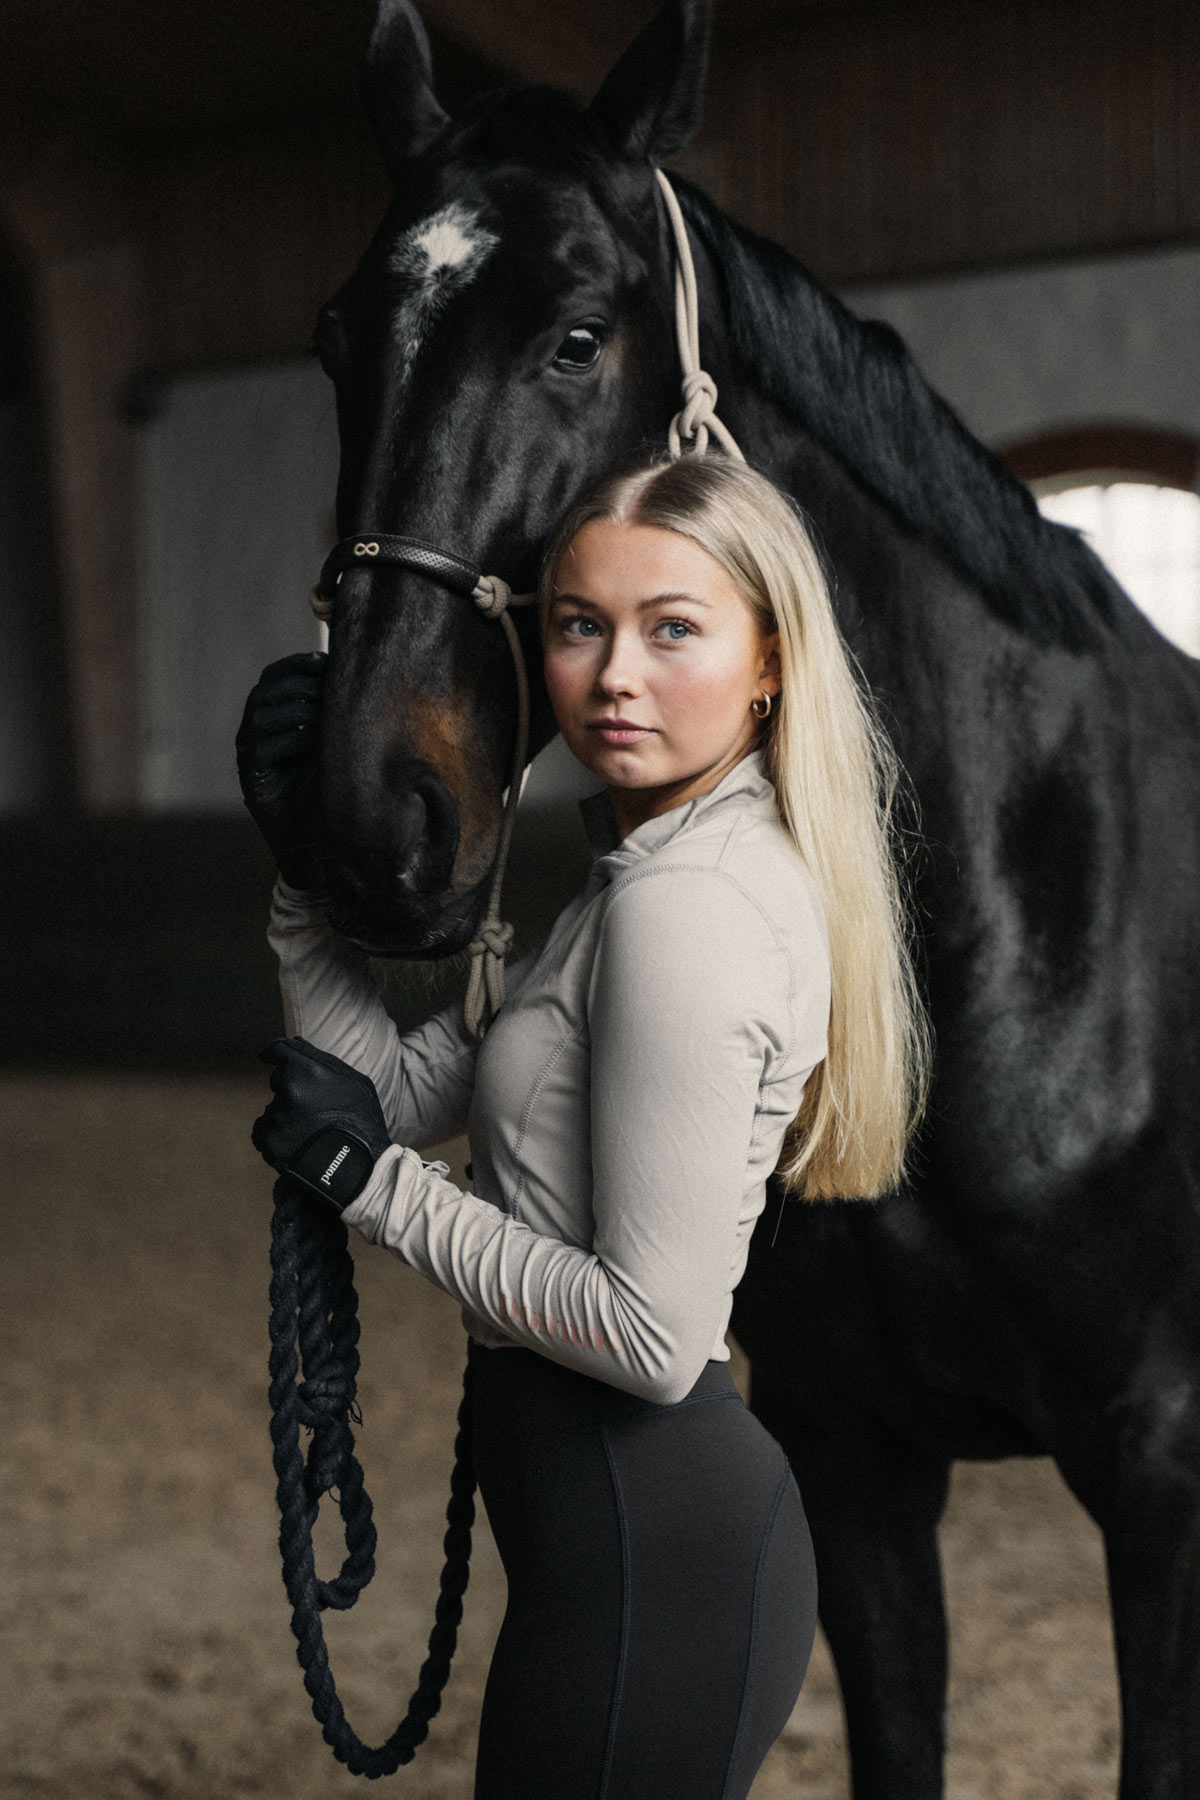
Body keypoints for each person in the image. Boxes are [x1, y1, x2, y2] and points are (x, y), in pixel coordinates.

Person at [239, 453, 929, 1799]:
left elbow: (653, 1338)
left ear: (769, 660)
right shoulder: (639, 878)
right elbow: (384, 1096)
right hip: (614, 1540)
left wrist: (375, 1187)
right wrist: (305, 877)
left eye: (673, 628)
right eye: (579, 625)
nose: (616, 675)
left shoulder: (689, 907)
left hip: (649, 1547)